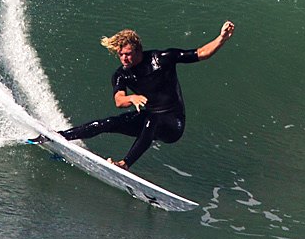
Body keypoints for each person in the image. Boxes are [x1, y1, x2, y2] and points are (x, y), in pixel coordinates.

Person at [58, 21, 235, 169]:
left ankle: (124, 164)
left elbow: (200, 53)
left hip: (173, 123)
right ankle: (60, 137)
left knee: (152, 120)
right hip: (148, 117)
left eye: (127, 54)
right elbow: (119, 101)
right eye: (120, 55)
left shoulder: (162, 58)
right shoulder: (122, 74)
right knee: (109, 123)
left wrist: (221, 38)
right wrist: (131, 98)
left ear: (138, 51)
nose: (124, 59)